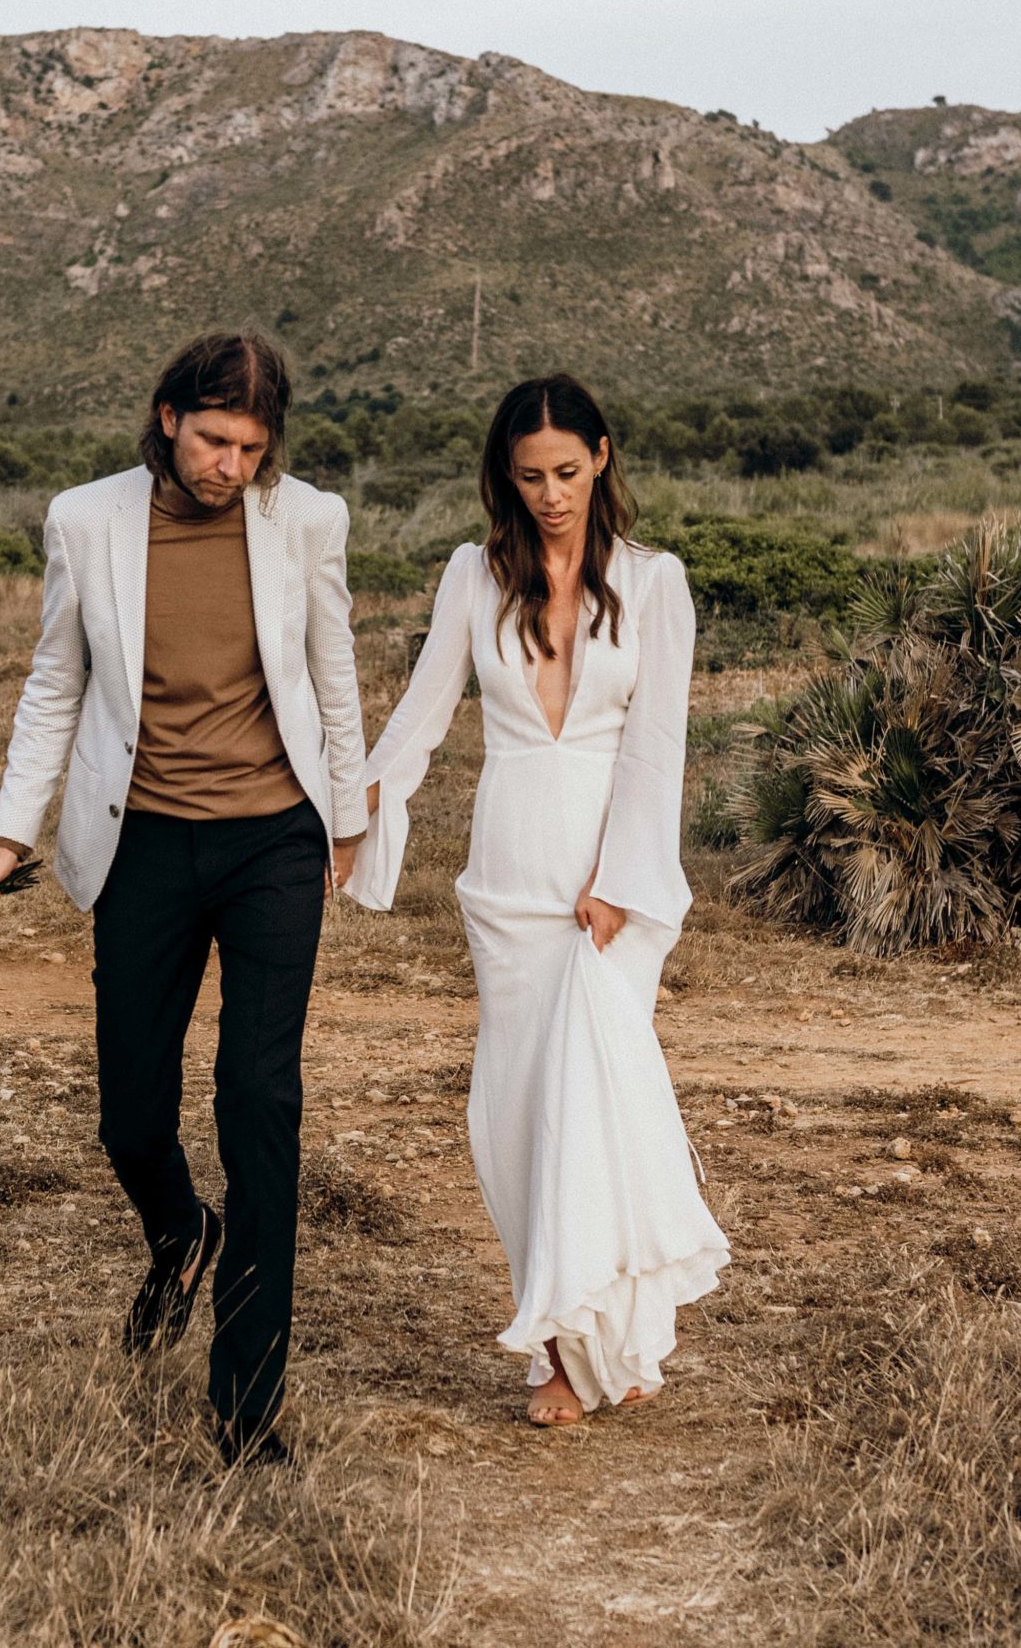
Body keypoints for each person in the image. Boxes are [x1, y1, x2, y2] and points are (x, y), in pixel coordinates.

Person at [0, 332, 368, 1464]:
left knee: (258, 1101)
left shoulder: (307, 520)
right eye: (214, 438)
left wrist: (353, 813)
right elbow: (56, 680)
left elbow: (331, 667)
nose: (230, 465)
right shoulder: (86, 519)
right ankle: (180, 1230)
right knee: (131, 1112)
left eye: (251, 446)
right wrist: (7, 835)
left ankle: (245, 1406)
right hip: (140, 843)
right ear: (168, 415)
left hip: (275, 840)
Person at [346, 374, 728, 1427]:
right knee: (513, 1114)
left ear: (602, 456)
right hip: (509, 874)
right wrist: (352, 813)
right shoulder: (474, 575)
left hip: (612, 879)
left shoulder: (655, 583)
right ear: (503, 479)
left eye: (566, 471)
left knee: (597, 1099)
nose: (550, 493)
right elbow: (422, 713)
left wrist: (621, 879)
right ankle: (579, 1328)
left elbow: (660, 749)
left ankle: (581, 1351)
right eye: (529, 476)